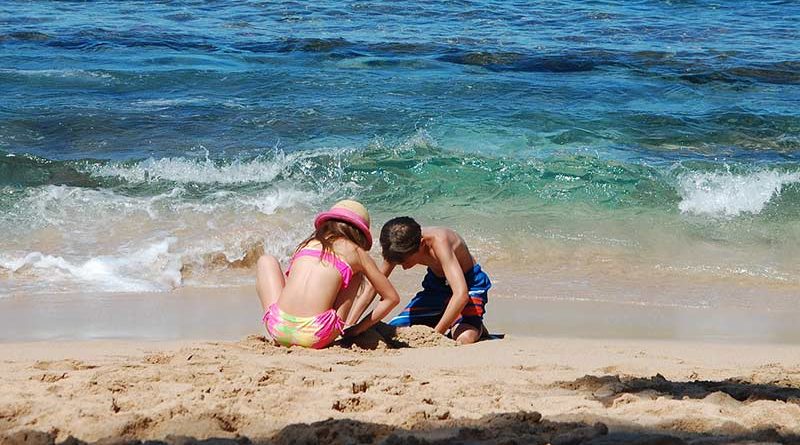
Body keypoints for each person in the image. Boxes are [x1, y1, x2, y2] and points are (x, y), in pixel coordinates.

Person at [255, 200, 400, 348]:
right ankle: (348, 324)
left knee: (266, 260)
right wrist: (357, 329)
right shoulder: (356, 252)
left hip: (279, 329)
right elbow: (392, 298)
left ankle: (281, 320)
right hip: (316, 335)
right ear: (360, 233)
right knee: (355, 273)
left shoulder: (306, 244)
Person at [348, 217, 491, 345]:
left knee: (463, 338)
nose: (403, 267)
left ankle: (473, 324)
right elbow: (374, 286)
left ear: (422, 244)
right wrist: (351, 324)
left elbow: (461, 295)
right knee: (396, 330)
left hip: (469, 284)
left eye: (405, 261)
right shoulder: (396, 246)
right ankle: (452, 319)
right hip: (436, 287)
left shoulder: (439, 242)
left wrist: (434, 336)